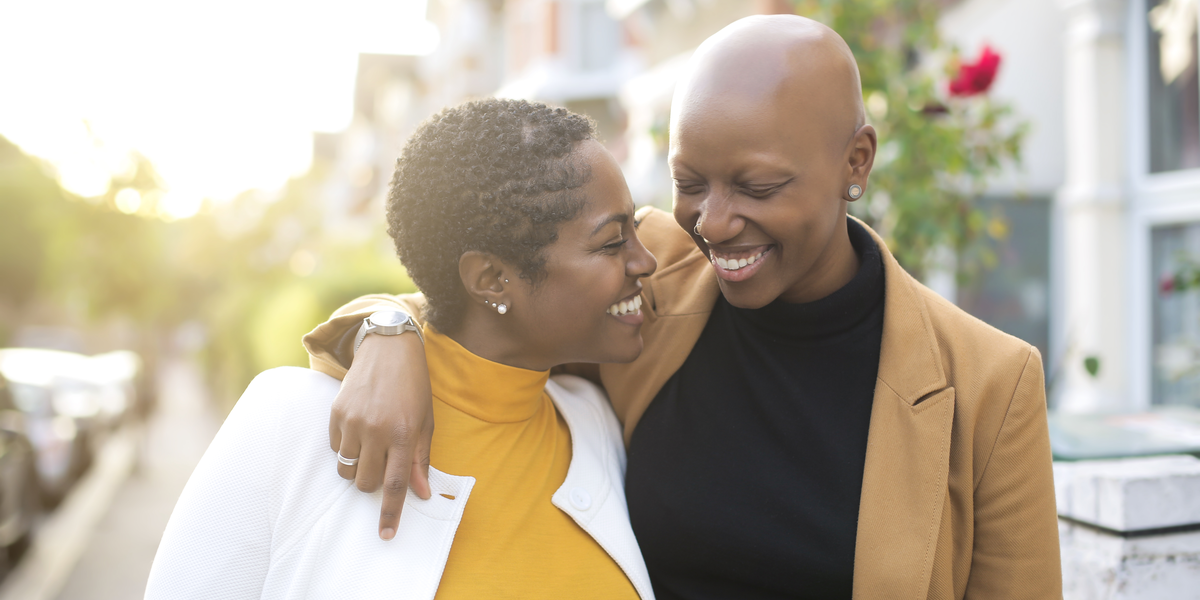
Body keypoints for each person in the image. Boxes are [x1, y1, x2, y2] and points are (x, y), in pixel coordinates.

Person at [304, 15, 1062, 600]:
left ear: (855, 163)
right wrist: (388, 326)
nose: (714, 222)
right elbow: (480, 295)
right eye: (690, 182)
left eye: (758, 187)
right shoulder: (650, 283)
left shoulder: (989, 384)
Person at [145, 99, 659, 599]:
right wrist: (385, 325)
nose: (647, 261)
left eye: (634, 229)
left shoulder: (594, 424)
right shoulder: (291, 425)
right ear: (492, 279)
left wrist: (384, 322)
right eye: (612, 243)